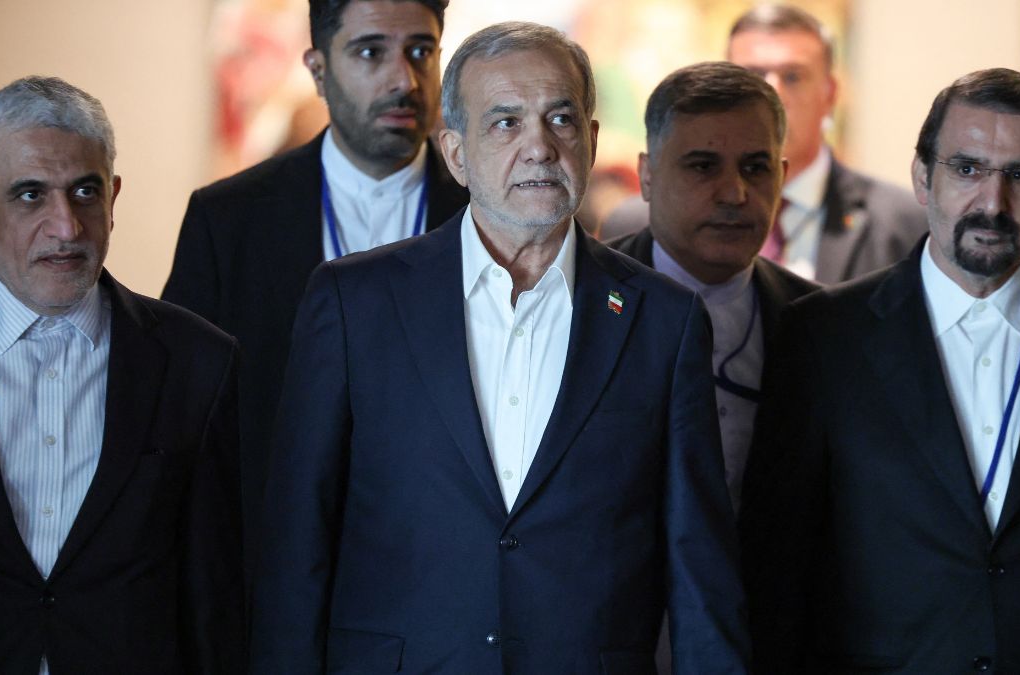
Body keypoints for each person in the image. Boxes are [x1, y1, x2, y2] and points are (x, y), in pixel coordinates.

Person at [252, 21, 748, 674]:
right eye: (506, 122)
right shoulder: (353, 302)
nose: (540, 147)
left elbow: (698, 565)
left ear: (592, 141)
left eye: (561, 119)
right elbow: (296, 546)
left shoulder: (664, 319)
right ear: (455, 153)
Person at [741, 68, 1020, 673]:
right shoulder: (822, 337)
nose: (993, 203)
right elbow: (778, 565)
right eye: (967, 169)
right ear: (922, 177)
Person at [0, 77, 243, 674]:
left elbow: (214, 594)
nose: (66, 227)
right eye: (30, 195)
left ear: (113, 198)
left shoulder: (200, 362)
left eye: (84, 192)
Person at [161, 0, 469, 582]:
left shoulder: (488, 216)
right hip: (272, 570)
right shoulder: (229, 221)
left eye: (420, 52)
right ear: (318, 69)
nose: (403, 79)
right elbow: (181, 425)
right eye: (370, 52)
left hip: (444, 577)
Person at [610, 61, 818, 515]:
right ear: (647, 175)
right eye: (703, 166)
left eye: (756, 167)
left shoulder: (821, 325)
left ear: (782, 175)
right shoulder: (579, 301)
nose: (734, 193)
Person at [727, 3, 926, 282]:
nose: (771, 96)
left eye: (793, 76)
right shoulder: (657, 223)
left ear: (830, 94)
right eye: (753, 76)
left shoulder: (908, 226)